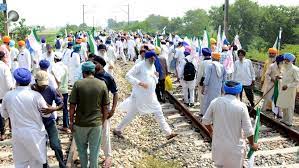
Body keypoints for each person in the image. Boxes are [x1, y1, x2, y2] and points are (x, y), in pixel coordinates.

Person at [113, 51, 178, 140]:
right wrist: (139, 83)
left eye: (154, 57)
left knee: (158, 111)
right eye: (152, 58)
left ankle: (168, 133)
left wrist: (156, 76)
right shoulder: (139, 65)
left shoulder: (152, 66)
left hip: (150, 96)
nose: (154, 59)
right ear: (148, 58)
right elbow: (128, 75)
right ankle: (118, 129)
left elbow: (154, 78)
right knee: (131, 114)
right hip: (139, 96)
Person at [203, 80, 258, 168]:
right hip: (235, 148)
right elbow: (248, 130)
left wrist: (211, 132)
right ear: (239, 92)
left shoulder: (215, 102)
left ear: (224, 90)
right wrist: (252, 144)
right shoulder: (241, 106)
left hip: (219, 146)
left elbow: (205, 121)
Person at [1, 68, 49, 167]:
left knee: (20, 163)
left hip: (18, 134)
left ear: (16, 81)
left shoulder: (8, 96)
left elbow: (4, 115)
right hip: (35, 135)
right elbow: (47, 114)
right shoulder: (36, 96)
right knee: (37, 163)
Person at [69, 61, 109, 168]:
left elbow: (72, 106)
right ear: (93, 72)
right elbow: (105, 107)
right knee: (94, 151)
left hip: (80, 124)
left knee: (82, 150)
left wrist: (71, 122)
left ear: (83, 73)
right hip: (96, 124)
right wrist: (103, 121)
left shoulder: (78, 84)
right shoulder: (102, 84)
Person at [31, 70, 65, 168]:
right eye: (41, 85)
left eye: (44, 84)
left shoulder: (51, 89)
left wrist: (53, 109)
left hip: (49, 121)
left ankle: (62, 164)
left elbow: (62, 104)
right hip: (36, 123)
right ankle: (45, 165)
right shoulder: (31, 90)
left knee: (55, 144)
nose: (43, 87)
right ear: (36, 81)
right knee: (41, 147)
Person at [93, 56, 118, 167]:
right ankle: (94, 156)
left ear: (101, 65)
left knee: (105, 133)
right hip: (92, 108)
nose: (93, 65)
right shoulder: (91, 75)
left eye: (95, 63)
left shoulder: (108, 77)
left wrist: (113, 109)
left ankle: (108, 157)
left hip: (104, 109)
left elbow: (115, 93)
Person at [276, 53, 299, 126]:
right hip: (283, 89)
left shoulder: (295, 69)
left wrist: (288, 86)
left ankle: (289, 121)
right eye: (285, 60)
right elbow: (285, 77)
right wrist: (280, 77)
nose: (285, 61)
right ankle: (284, 119)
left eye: (287, 60)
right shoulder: (285, 68)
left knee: (289, 105)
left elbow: (297, 81)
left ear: (291, 61)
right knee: (283, 104)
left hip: (290, 90)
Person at [52, 53, 70, 132]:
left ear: (55, 59)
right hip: (65, 90)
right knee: (65, 108)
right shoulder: (65, 67)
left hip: (56, 90)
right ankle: (66, 126)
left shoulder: (54, 67)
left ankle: (53, 125)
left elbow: (56, 80)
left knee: (53, 107)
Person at [0, 51, 14, 141]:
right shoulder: (5, 67)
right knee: (10, 112)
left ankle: (2, 133)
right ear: (3, 57)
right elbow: (9, 84)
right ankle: (12, 130)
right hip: (5, 95)